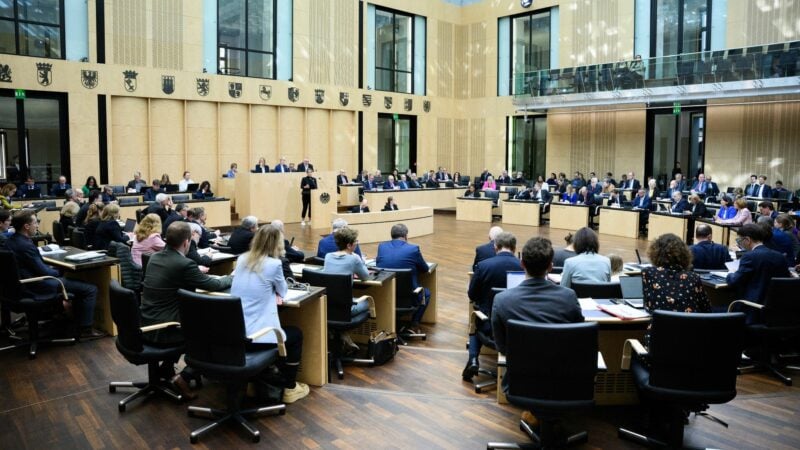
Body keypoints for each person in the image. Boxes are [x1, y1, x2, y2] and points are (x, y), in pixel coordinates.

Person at [140, 221, 232, 397]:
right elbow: (213, 284)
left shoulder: (154, 258)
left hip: (146, 322)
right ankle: (185, 376)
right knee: (212, 333)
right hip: (165, 329)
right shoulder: (185, 265)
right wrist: (231, 277)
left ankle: (166, 369)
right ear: (186, 243)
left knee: (193, 319)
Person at [491, 236, 584, 392]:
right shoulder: (569, 297)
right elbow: (578, 337)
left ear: (522, 264)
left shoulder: (501, 300)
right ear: (550, 267)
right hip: (562, 380)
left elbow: (501, 347)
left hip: (520, 382)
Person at [230, 224, 310, 403]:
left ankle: (256, 381)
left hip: (235, 334)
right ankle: (289, 387)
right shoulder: (274, 264)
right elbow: (282, 291)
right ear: (277, 244)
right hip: (257, 336)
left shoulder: (242, 259)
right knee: (295, 335)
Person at [4, 210, 103, 339]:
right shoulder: (26, 246)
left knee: (71, 282)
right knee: (90, 289)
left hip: (17, 287)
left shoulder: (10, 240)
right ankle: (86, 330)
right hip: (36, 285)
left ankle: (63, 317)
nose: (37, 226)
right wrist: (60, 270)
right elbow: (45, 272)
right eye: (35, 223)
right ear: (26, 226)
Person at [463, 232, 522, 381]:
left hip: (489, 324)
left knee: (475, 323)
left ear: (495, 247)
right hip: (517, 325)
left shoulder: (483, 266)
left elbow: (472, 295)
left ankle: (473, 360)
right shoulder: (523, 267)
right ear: (514, 248)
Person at [726, 224, 790, 323]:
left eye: (739, 241)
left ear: (747, 240)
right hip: (777, 312)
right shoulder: (780, 256)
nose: (739, 244)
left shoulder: (749, 256)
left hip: (752, 309)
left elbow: (734, 281)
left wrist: (730, 274)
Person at [376, 224, 431, 333]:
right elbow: (425, 269)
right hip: (409, 297)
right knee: (427, 293)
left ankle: (394, 320)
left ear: (391, 235)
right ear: (406, 236)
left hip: (385, 294)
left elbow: (378, 264)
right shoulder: (413, 249)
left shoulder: (382, 247)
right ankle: (414, 324)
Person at [643, 232, 711, 317]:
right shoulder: (694, 277)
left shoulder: (648, 273)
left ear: (655, 254)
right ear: (684, 254)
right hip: (690, 327)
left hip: (660, 327)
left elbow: (648, 306)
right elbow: (706, 309)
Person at [322, 227, 372, 319]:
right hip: (348, 309)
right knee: (368, 302)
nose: (357, 243)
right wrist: (360, 260)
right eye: (356, 241)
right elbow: (365, 277)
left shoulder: (328, 256)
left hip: (328, 307)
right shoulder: (354, 258)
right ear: (349, 245)